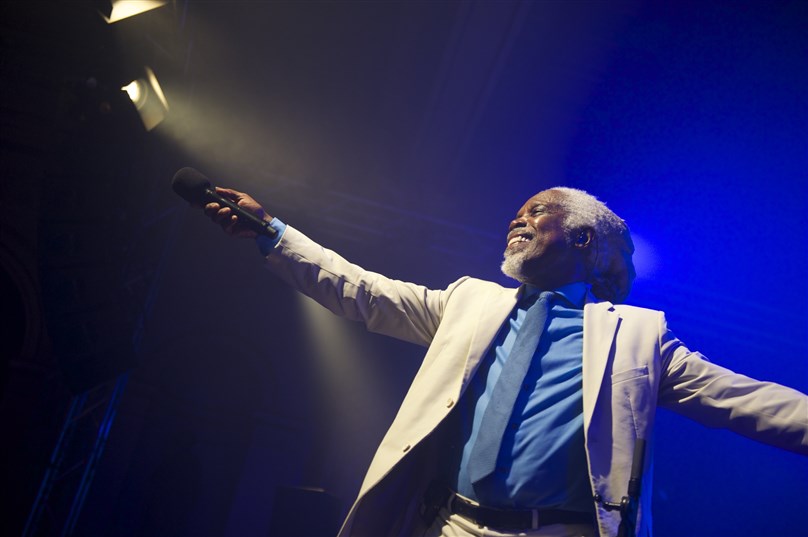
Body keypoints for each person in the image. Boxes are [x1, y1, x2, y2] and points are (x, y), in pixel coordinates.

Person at [201, 186, 808, 537]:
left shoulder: (635, 336)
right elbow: (362, 291)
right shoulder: (469, 302)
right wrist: (275, 232)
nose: (518, 219)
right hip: (449, 526)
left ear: (582, 241)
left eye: (538, 211)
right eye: (518, 213)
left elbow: (743, 400)